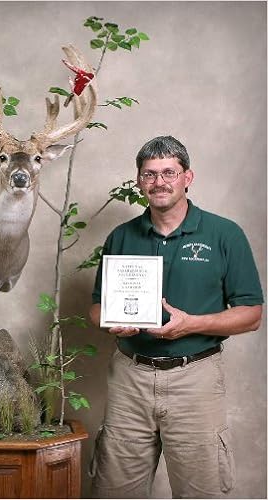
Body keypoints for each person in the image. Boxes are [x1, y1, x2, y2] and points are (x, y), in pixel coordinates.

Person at [89, 136, 263, 499]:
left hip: (195, 379)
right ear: (139, 181)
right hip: (130, 378)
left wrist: (191, 324)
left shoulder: (224, 234)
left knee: (201, 492)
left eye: (169, 172)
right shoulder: (121, 237)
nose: (159, 182)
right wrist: (110, 321)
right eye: (150, 174)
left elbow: (251, 315)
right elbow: (96, 307)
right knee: (114, 491)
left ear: (187, 177)